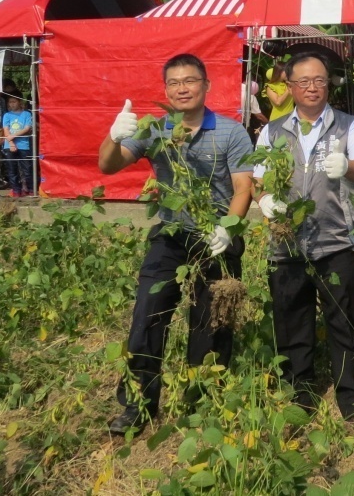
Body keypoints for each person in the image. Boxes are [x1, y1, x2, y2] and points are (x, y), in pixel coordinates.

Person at [98, 53, 254, 435]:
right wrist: (113, 135)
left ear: (206, 85)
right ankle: (139, 403)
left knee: (212, 319)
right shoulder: (155, 129)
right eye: (174, 83)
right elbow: (108, 166)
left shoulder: (232, 132)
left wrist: (228, 229)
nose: (182, 88)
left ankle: (201, 399)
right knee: (148, 314)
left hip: (215, 236)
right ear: (166, 89)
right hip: (171, 234)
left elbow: (242, 188)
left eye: (190, 81)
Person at [253, 52, 354, 420]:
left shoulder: (349, 125)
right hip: (286, 243)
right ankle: (299, 394)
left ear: (329, 83)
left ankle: (353, 398)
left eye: (319, 80)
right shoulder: (272, 131)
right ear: (288, 87)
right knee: (291, 321)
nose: (311, 88)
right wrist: (265, 198)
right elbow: (258, 178)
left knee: (346, 322)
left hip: (338, 241)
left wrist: (348, 166)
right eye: (303, 81)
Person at [2, 96, 34, 197]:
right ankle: (16, 190)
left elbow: (27, 128)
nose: (12, 104)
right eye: (10, 102)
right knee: (12, 169)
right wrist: (11, 142)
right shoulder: (7, 115)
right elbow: (6, 130)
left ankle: (30, 189)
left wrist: (13, 136)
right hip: (9, 145)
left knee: (27, 169)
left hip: (23, 144)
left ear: (19, 102)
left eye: (14, 102)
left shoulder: (27, 114)